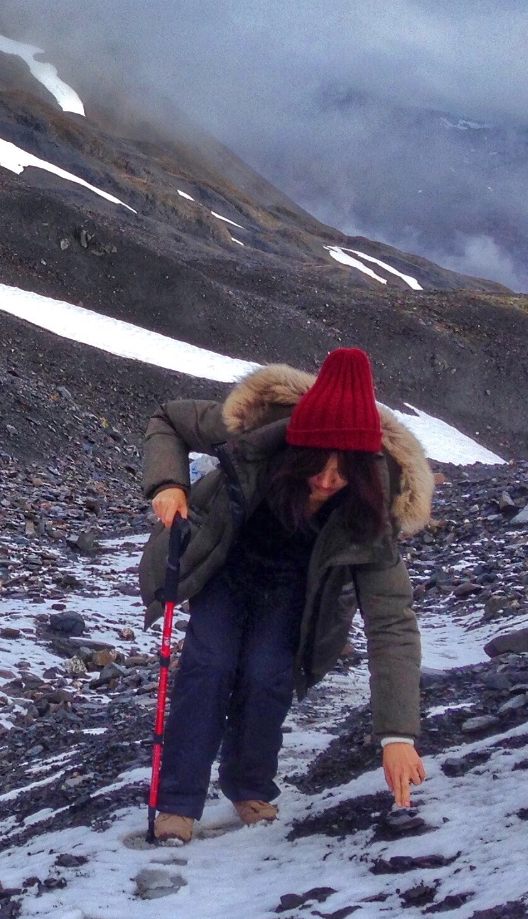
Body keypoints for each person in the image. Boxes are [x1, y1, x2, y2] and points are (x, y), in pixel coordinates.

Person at [138, 347, 430, 843]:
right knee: (209, 665)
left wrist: (398, 735)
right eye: (315, 464)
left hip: (295, 582)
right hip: (227, 560)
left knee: (269, 672)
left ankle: (249, 785)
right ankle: (177, 802)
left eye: (342, 473)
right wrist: (169, 484)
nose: (325, 480)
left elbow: (392, 621)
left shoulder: (370, 510)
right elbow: (167, 418)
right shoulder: (257, 429)